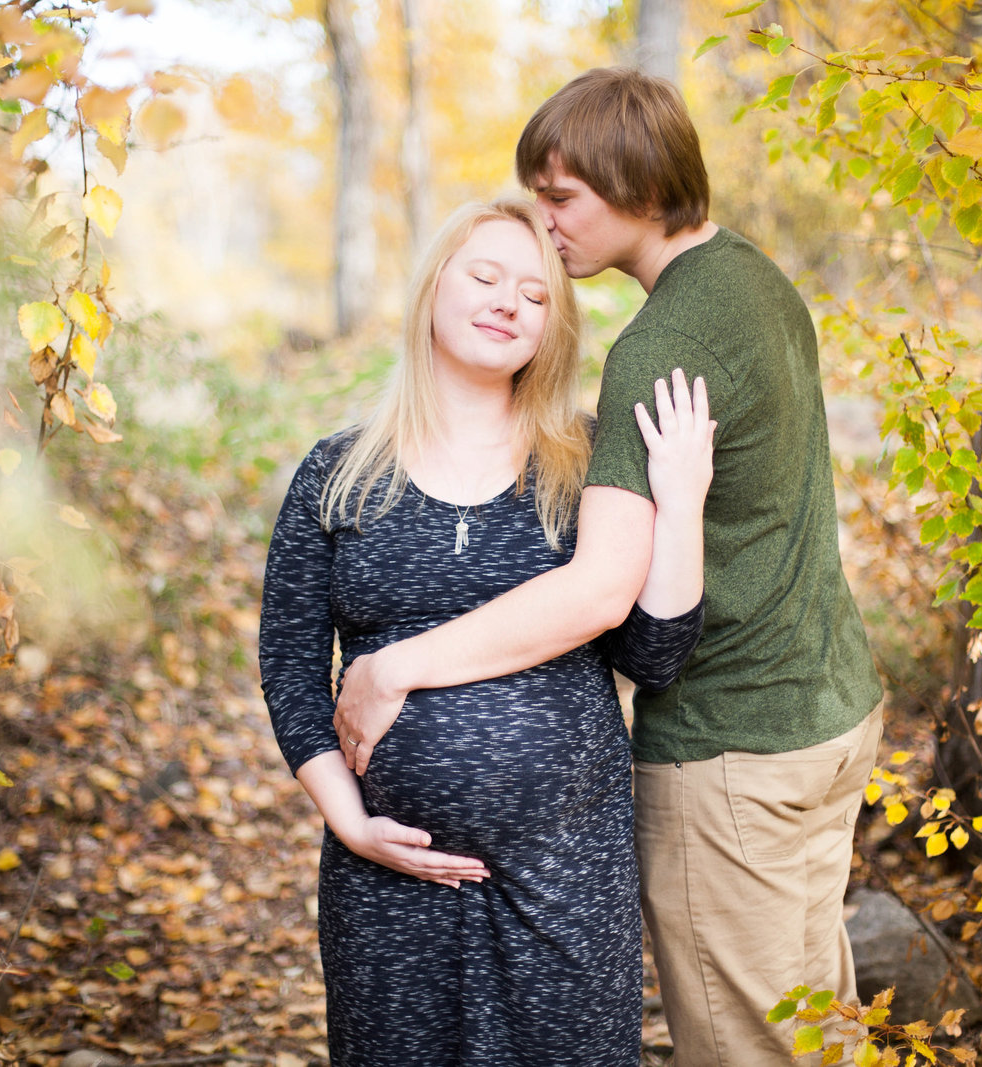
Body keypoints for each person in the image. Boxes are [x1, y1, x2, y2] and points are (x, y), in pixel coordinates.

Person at [333, 69, 885, 1066]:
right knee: (819, 1028)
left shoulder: (657, 346)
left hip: (734, 746)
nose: (544, 224)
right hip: (825, 713)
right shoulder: (754, 277)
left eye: (561, 196)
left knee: (748, 1044)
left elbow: (597, 590)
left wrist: (395, 664)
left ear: (634, 183)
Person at [258, 198, 714, 1066]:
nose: (511, 302)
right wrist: (350, 822)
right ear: (434, 287)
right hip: (386, 880)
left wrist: (681, 503)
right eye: (486, 276)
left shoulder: (587, 461)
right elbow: (287, 666)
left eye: (538, 295)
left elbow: (653, 655)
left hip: (565, 877)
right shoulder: (340, 471)